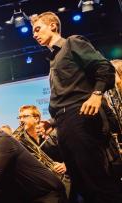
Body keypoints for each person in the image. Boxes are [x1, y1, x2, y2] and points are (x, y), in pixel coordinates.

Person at [31, 12, 122, 202]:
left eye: (38, 28)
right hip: (65, 125)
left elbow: (105, 68)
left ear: (53, 26)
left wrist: (96, 95)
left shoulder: (72, 42)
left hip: (81, 118)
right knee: (81, 184)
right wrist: (52, 122)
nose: (34, 34)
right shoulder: (54, 59)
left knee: (97, 181)